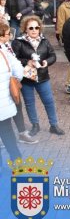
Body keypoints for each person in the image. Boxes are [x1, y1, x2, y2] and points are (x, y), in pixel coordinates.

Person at [12, 16, 65, 136]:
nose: (34, 30)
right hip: (26, 79)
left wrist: (47, 62)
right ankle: (35, 125)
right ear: (25, 29)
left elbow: (52, 55)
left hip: (42, 77)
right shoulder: (18, 42)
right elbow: (14, 59)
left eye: (36, 27)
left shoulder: (44, 41)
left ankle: (54, 125)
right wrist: (27, 62)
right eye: (31, 28)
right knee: (30, 103)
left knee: (49, 101)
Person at [0, 22, 23, 167]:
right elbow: (18, 71)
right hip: (4, 104)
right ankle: (17, 161)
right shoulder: (3, 51)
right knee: (8, 133)